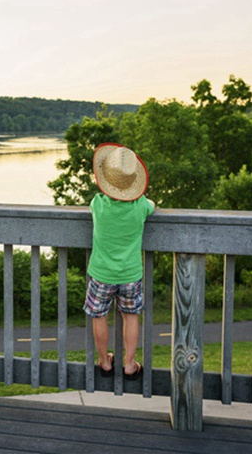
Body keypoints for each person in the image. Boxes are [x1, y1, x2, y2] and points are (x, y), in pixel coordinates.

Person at [83, 143, 155, 380]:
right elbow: (152, 206)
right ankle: (130, 364)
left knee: (99, 316)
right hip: (130, 274)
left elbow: (94, 205)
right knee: (131, 317)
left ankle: (104, 362)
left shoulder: (98, 204)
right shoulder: (141, 206)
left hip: (101, 273)